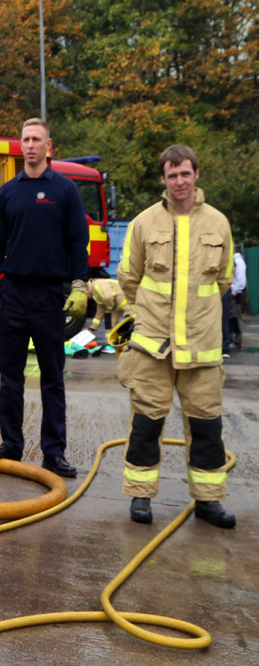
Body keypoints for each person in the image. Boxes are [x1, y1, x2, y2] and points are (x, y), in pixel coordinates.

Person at [116, 144, 235, 528]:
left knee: (206, 427)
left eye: (185, 173)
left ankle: (208, 501)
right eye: (172, 175)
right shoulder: (143, 223)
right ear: (163, 179)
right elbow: (129, 278)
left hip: (201, 348)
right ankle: (140, 497)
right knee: (147, 425)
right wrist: (151, 317)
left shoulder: (218, 223)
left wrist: (194, 319)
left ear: (196, 174)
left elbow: (223, 281)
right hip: (153, 347)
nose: (179, 181)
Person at [0, 118, 88, 477]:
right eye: (25, 139)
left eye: (36, 139)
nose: (29, 145)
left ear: (49, 146)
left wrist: (79, 285)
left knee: (52, 378)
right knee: (10, 376)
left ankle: (53, 452)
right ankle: (11, 445)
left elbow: (78, 242)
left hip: (48, 296)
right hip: (13, 295)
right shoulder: (10, 191)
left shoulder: (66, 191)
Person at [222, 244, 246, 357]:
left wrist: (233, 292)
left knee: (235, 318)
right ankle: (233, 340)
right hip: (232, 292)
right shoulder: (235, 260)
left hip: (233, 293)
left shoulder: (238, 262)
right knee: (231, 318)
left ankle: (237, 341)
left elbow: (241, 280)